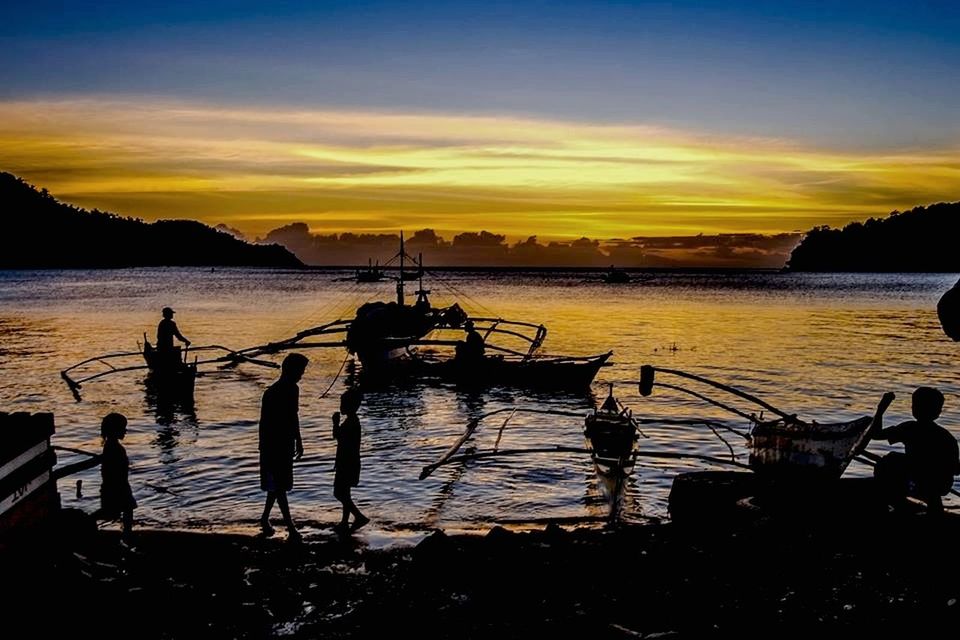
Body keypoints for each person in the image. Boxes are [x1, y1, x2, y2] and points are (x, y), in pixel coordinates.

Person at [869, 388, 960, 515]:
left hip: (926, 482)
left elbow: (876, 434)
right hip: (939, 484)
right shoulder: (947, 437)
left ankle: (900, 505)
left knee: (889, 461)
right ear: (938, 412)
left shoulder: (910, 428)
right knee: (897, 462)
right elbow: (955, 469)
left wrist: (881, 409)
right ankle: (932, 509)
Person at [258, 353, 308, 541]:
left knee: (278, 485)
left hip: (286, 442)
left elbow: (294, 416)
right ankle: (290, 526)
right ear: (290, 370)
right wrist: (265, 448)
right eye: (300, 371)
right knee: (279, 486)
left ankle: (264, 519)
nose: (302, 375)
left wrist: (299, 440)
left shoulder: (293, 389)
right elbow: (265, 424)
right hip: (273, 444)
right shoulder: (271, 393)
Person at [92, 412, 136, 542]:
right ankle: (127, 534)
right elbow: (113, 469)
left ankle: (127, 533)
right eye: (122, 428)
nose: (125, 431)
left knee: (121, 510)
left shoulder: (111, 446)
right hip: (116, 486)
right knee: (114, 511)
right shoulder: (114, 447)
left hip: (118, 485)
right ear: (115, 430)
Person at [332, 387, 369, 534]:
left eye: (343, 403)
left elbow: (338, 437)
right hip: (349, 461)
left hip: (347, 462)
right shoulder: (352, 421)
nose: (341, 406)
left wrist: (335, 423)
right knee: (345, 492)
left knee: (339, 493)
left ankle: (358, 516)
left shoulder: (351, 422)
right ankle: (344, 521)